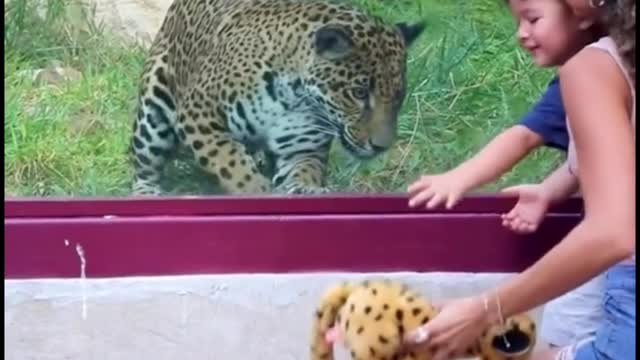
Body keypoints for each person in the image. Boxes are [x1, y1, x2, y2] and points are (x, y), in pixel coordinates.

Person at [405, 0, 635, 359]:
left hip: (619, 260)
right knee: (563, 328)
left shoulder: (596, 69)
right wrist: (550, 190)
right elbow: (608, 161)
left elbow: (615, 230)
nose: (522, 33)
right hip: (609, 257)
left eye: (533, 18)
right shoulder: (603, 67)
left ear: (583, 9)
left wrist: (485, 310)